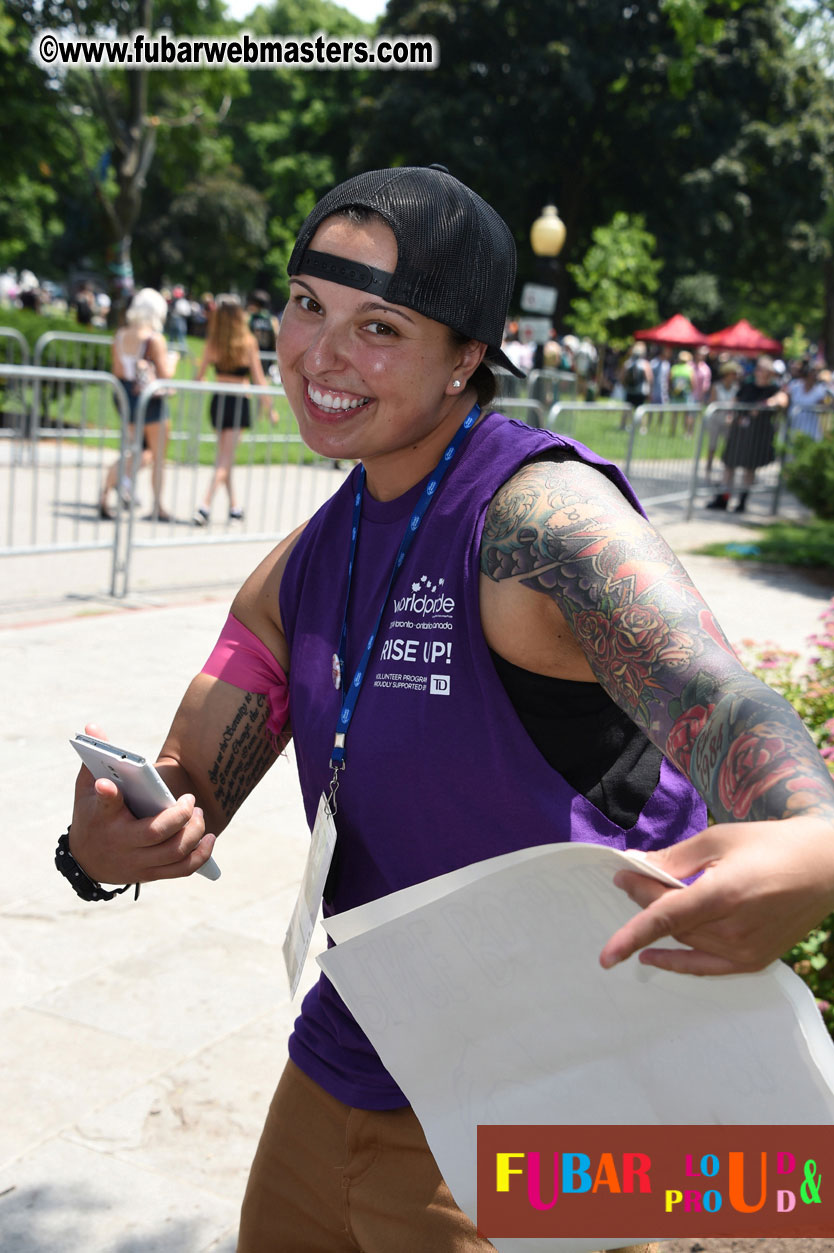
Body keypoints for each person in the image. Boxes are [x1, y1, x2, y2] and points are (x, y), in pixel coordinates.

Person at [65, 166, 834, 1252]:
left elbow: (718, 697)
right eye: (307, 304)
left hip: (558, 1090)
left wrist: (814, 837)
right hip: (348, 1058)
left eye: (379, 325)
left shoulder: (540, 515)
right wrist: (106, 840)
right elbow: (190, 775)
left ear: (468, 353)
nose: (321, 354)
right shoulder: (306, 563)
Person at [193, 295, 278, 525]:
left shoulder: (214, 342)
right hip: (238, 402)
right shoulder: (247, 341)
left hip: (219, 400)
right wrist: (270, 409)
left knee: (225, 457)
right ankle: (204, 506)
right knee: (225, 459)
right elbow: (260, 379)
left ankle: (234, 507)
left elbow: (198, 377)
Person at [98, 287, 175, 522]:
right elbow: (166, 375)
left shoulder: (121, 335)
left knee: (138, 452)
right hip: (152, 403)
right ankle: (158, 506)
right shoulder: (154, 339)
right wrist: (174, 360)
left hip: (127, 400)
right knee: (156, 456)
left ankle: (105, 492)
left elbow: (119, 371)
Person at [706, 354, 788, 512]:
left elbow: (782, 400)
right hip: (740, 431)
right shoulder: (747, 386)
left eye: (762, 369)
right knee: (729, 465)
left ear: (769, 372)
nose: (758, 372)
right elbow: (735, 401)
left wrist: (766, 404)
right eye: (758, 369)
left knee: (749, 469)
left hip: (757, 435)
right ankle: (723, 498)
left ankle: (742, 501)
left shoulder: (773, 389)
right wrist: (730, 412)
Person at [703, 357, 741, 478]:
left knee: (730, 443)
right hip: (716, 417)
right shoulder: (717, 386)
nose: (735, 376)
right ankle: (709, 465)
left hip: (729, 419)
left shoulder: (736, 388)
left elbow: (735, 403)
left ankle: (727, 465)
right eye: (733, 374)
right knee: (713, 443)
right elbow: (712, 402)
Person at [787, 360, 829, 441]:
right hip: (794, 426)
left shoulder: (819, 391)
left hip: (811, 428)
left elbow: (824, 407)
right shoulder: (794, 386)